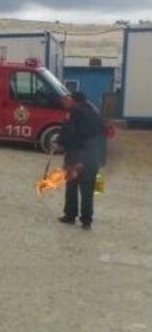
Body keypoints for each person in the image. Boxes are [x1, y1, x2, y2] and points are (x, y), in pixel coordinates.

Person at [57, 91, 105, 230]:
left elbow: (69, 132)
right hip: (92, 157)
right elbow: (102, 135)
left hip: (76, 156)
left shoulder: (74, 111)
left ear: (74, 100)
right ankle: (87, 221)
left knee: (72, 186)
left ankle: (70, 215)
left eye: (69, 98)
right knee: (88, 190)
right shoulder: (94, 112)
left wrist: (60, 142)